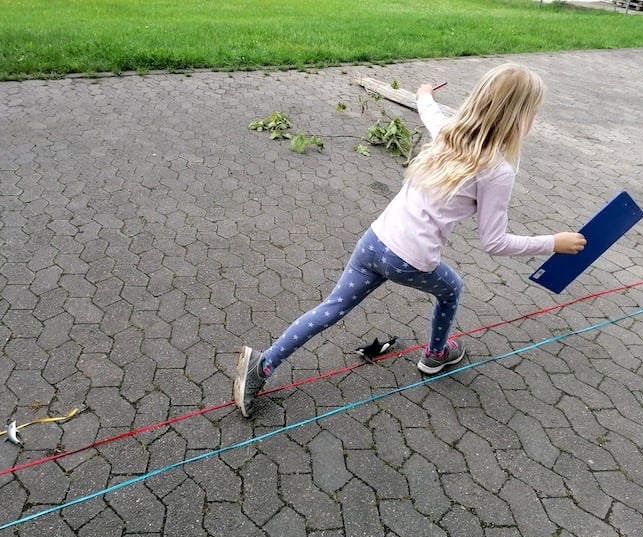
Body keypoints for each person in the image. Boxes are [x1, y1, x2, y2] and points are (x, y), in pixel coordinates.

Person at [233, 63, 586, 418]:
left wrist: (424, 93)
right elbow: (494, 242)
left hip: (374, 241)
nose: (534, 120)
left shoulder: (448, 132)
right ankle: (436, 355)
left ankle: (263, 365)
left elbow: (429, 111)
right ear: (517, 117)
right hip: (408, 261)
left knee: (330, 308)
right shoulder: (497, 171)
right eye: (533, 113)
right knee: (451, 289)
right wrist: (552, 243)